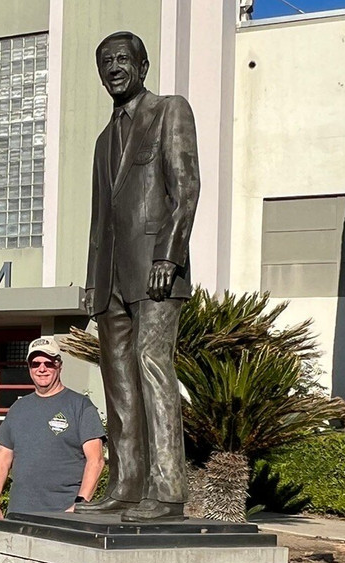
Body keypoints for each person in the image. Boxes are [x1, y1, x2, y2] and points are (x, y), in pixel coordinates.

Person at [80, 31, 200, 522]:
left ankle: (168, 491)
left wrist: (168, 256)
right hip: (111, 279)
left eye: (122, 59)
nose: (113, 67)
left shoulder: (170, 110)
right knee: (118, 381)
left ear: (143, 65)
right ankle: (127, 484)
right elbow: (99, 221)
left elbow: (185, 186)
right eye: (104, 61)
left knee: (153, 366)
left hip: (156, 270)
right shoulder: (103, 140)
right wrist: (92, 282)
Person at [0, 337, 106, 528]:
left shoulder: (80, 406)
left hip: (63, 517)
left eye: (48, 363)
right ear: (29, 368)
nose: (42, 369)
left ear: (59, 365)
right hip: (18, 515)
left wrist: (80, 505)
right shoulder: (19, 408)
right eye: (36, 364)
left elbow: (96, 460)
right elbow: (3, 457)